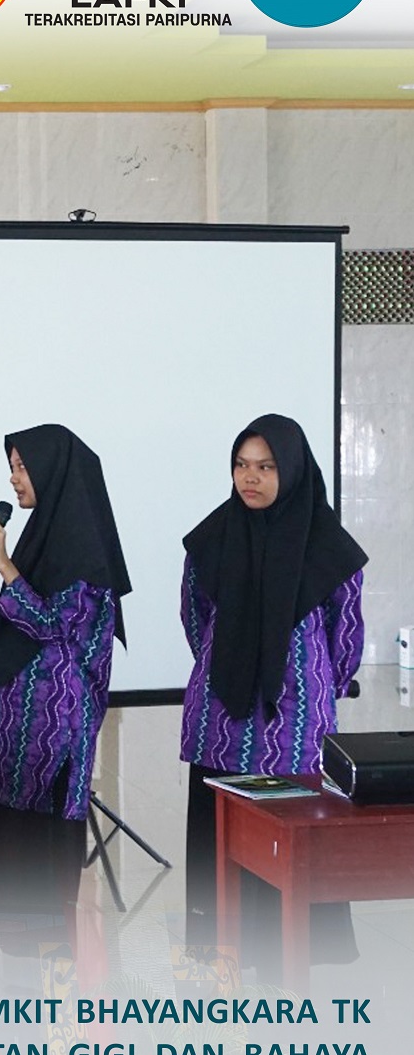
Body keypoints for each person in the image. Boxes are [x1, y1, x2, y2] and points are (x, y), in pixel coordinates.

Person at [180, 413, 366, 964]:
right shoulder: (211, 539)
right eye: (241, 465)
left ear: (292, 470)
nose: (250, 478)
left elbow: (345, 639)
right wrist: (233, 666)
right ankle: (222, 967)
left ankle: (290, 970)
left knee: (294, 848)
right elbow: (196, 619)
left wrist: (306, 681)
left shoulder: (330, 548)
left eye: (265, 466)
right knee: (222, 847)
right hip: (221, 723)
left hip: (296, 730)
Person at [0, 425, 130, 955]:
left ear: (52, 471)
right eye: (13, 467)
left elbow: (54, 626)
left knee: (36, 867)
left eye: (22, 466)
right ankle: (8, 960)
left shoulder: (87, 554)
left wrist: (3, 564)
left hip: (52, 730)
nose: (13, 478)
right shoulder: (43, 538)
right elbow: (22, 615)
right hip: (8, 722)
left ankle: (44, 963)